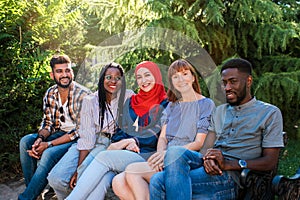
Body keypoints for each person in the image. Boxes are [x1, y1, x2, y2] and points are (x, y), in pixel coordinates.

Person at [149, 58, 284, 200]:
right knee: (173, 152)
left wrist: (231, 164)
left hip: (232, 177)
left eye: (233, 82)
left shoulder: (269, 113)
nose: (227, 88)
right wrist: (208, 158)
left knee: (159, 181)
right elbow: (205, 147)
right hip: (211, 168)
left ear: (248, 81)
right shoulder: (219, 111)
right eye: (224, 83)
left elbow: (270, 162)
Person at [112, 59, 215, 200]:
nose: (181, 79)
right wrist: (160, 154)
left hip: (187, 157)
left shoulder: (206, 104)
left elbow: (198, 142)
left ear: (193, 77)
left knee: (132, 171)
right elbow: (163, 137)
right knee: (118, 182)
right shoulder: (171, 106)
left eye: (185, 74)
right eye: (175, 77)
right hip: (166, 156)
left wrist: (167, 154)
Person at [65, 61, 168, 200]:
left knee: (103, 157)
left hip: (147, 155)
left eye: (147, 75)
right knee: (105, 177)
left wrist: (134, 140)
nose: (144, 81)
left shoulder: (165, 103)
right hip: (125, 152)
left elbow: (156, 135)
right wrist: (126, 141)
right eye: (139, 77)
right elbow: (120, 131)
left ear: (156, 75)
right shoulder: (132, 101)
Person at [47, 62, 134, 200]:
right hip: (90, 142)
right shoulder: (91, 100)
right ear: (101, 79)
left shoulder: (129, 96)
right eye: (108, 77)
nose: (113, 81)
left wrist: (80, 172)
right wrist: (79, 167)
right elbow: (87, 138)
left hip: (113, 144)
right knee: (55, 179)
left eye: (118, 78)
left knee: (85, 176)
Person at [18, 55, 91, 200]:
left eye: (67, 70)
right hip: (58, 133)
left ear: (72, 72)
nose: (64, 75)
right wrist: (40, 139)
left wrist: (49, 144)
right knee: (26, 142)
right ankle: (34, 191)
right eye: (59, 71)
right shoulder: (50, 93)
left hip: (77, 139)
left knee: (49, 153)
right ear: (52, 75)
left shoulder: (84, 95)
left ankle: (26, 197)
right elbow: (48, 123)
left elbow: (80, 132)